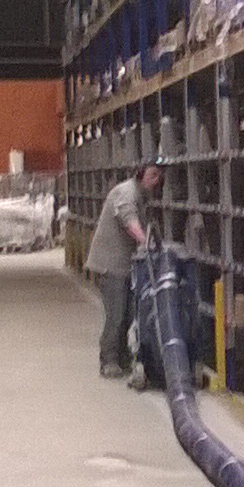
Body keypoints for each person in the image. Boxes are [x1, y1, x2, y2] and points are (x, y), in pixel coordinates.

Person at [87, 161, 161, 382]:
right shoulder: (126, 192)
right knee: (116, 314)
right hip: (111, 265)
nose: (157, 180)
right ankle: (108, 360)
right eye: (153, 175)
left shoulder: (142, 197)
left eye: (159, 176)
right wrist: (146, 242)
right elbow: (129, 221)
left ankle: (123, 357)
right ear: (140, 175)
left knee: (130, 314)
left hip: (127, 266)